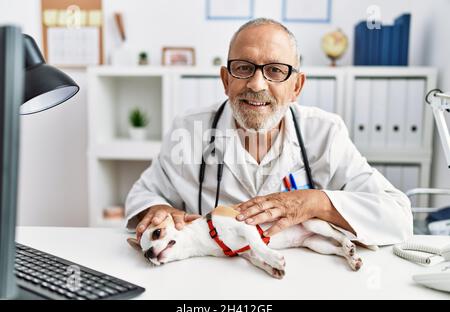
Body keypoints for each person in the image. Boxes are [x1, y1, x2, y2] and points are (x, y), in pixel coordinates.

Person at [125, 18, 412, 246]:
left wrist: (315, 202)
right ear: (226, 80)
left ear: (296, 86)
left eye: (275, 70)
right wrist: (158, 209)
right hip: (209, 281)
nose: (257, 84)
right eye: (243, 68)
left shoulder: (325, 132)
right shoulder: (189, 130)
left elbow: (397, 216)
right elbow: (144, 194)